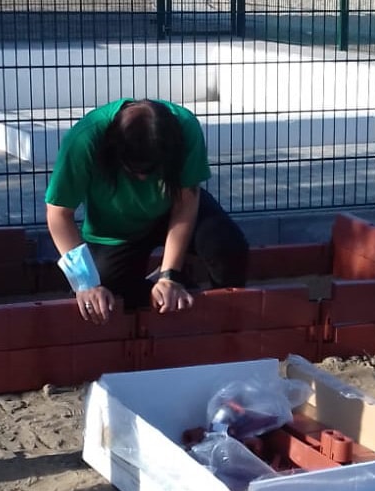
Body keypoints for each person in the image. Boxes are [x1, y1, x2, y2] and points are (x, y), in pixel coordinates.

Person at [45, 97, 248, 322]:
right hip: (115, 230)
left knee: (227, 246)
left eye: (152, 170)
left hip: (171, 211)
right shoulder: (84, 139)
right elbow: (59, 215)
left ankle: (227, 322)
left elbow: (186, 203)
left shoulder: (185, 127)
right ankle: (163, 282)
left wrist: (170, 275)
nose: (143, 178)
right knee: (101, 300)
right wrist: (86, 283)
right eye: (135, 170)